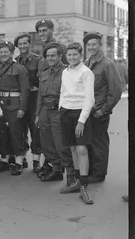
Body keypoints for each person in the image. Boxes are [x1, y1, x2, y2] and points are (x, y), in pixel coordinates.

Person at [58, 42, 95, 204]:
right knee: (72, 147)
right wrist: (61, 108)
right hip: (66, 112)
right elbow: (63, 92)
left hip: (80, 114)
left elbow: (90, 99)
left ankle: (84, 186)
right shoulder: (65, 72)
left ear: (81, 55)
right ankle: (77, 181)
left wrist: (81, 121)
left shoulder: (86, 72)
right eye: (69, 55)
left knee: (81, 149)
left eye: (75, 54)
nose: (72, 57)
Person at [83, 32, 122, 183]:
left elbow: (116, 91)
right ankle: (92, 170)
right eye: (89, 45)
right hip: (88, 111)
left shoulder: (108, 64)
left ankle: (99, 174)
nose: (91, 47)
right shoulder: (87, 62)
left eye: (94, 44)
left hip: (99, 112)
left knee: (99, 143)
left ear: (100, 45)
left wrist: (103, 110)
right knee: (89, 143)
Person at [35, 42, 73, 182]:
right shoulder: (45, 73)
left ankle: (70, 174)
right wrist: (38, 114)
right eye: (48, 56)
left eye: (53, 56)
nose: (50, 58)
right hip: (45, 111)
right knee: (47, 143)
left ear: (60, 56)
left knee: (61, 144)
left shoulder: (67, 72)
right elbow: (40, 96)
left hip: (59, 111)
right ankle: (56, 170)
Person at [0, 41, 30, 175]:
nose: (3, 54)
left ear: (12, 52)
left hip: (14, 104)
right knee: (2, 133)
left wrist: (22, 108)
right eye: (1, 52)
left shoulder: (19, 69)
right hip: (0, 105)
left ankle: (19, 162)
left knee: (16, 133)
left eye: (6, 52)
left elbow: (25, 90)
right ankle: (4, 159)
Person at [14, 33, 43, 172]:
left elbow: (42, 79)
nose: (23, 46)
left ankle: (36, 161)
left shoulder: (38, 60)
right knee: (20, 130)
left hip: (33, 99)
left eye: (25, 43)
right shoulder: (15, 61)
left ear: (29, 44)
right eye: (20, 44)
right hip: (19, 99)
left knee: (35, 130)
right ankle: (21, 159)